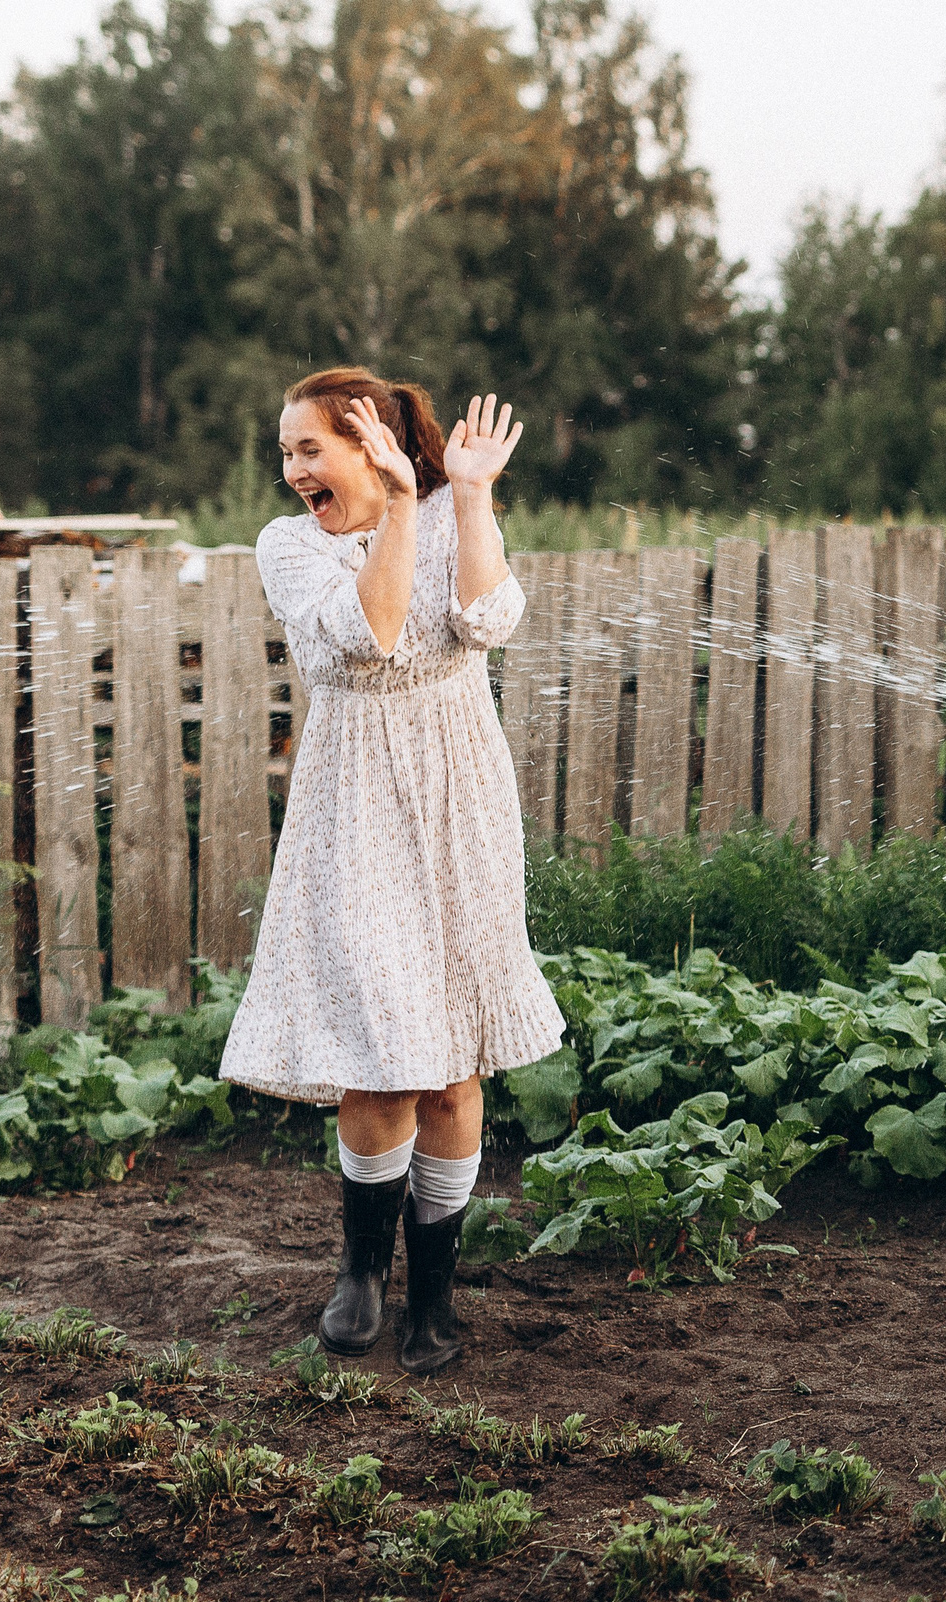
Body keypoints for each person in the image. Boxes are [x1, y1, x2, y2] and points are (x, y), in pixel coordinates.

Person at [218, 368, 566, 1378]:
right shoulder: (290, 547)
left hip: (461, 800)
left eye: (309, 448)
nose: (294, 471)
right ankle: (363, 1271)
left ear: (371, 444)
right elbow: (371, 636)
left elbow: (488, 620)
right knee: (378, 1054)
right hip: (357, 806)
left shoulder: (454, 512)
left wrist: (470, 494)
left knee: (454, 1066)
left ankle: (435, 1294)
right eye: (286, 453)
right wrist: (406, 510)